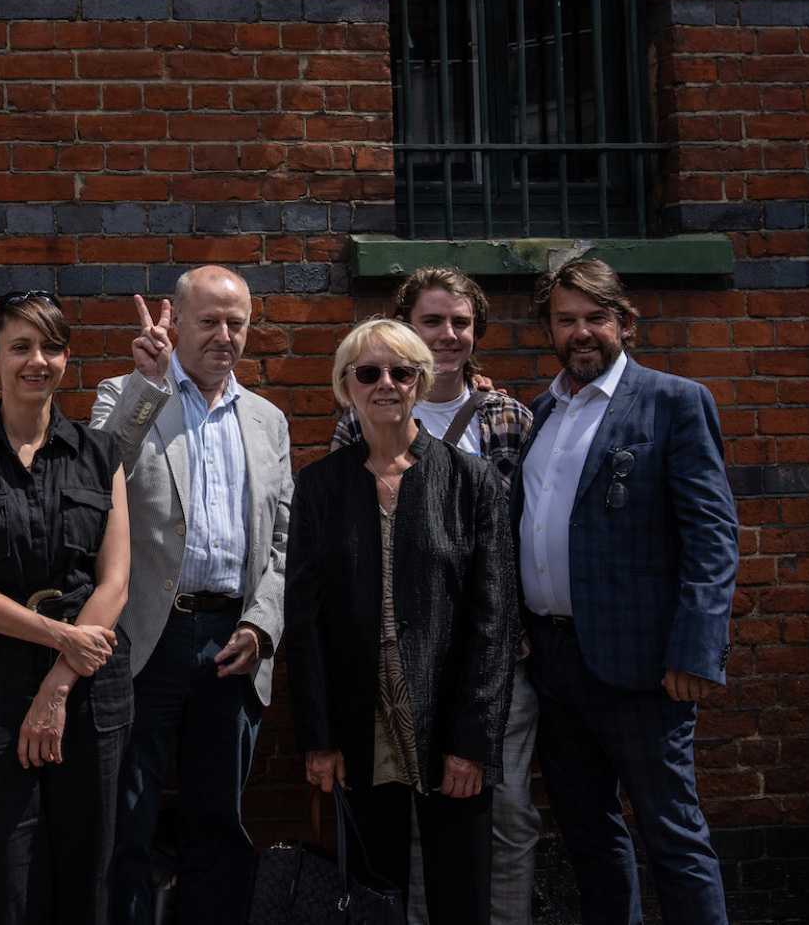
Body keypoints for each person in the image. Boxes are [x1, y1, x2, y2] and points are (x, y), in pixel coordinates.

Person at [518, 260, 738, 925]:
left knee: (673, 832)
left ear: (626, 321)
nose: (581, 331)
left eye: (595, 316)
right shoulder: (543, 410)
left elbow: (712, 535)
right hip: (554, 663)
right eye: (566, 318)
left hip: (643, 667)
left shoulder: (673, 401)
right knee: (589, 834)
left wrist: (697, 649)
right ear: (549, 328)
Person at [286, 318, 516, 925]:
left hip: (447, 711)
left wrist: (474, 741)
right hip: (360, 715)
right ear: (346, 386)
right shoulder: (318, 487)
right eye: (368, 372)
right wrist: (319, 736)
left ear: (421, 381)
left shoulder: (473, 482)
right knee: (373, 891)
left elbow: (493, 623)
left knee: (460, 891)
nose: (385, 383)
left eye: (401, 371)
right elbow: (304, 625)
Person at [330, 268, 539, 925]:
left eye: (461, 322)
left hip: (488, 662)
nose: (448, 334)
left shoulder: (508, 416)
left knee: (500, 814)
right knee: (408, 825)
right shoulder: (360, 421)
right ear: (406, 327)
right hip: (394, 664)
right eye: (433, 321)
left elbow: (524, 539)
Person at [0, 292, 132, 925]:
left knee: (89, 866)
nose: (35, 361)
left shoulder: (101, 455)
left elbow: (115, 581)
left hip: (91, 686)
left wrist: (60, 682)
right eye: (20, 347)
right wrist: (55, 635)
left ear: (66, 358)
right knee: (1, 867)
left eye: (49, 347)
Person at [92, 267, 293, 925]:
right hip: (148, 635)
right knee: (128, 814)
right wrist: (148, 386)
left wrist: (262, 624)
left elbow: (285, 541)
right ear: (176, 320)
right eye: (209, 321)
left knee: (219, 820)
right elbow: (98, 478)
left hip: (232, 638)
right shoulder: (125, 393)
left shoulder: (268, 420)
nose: (225, 335)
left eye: (237, 322)